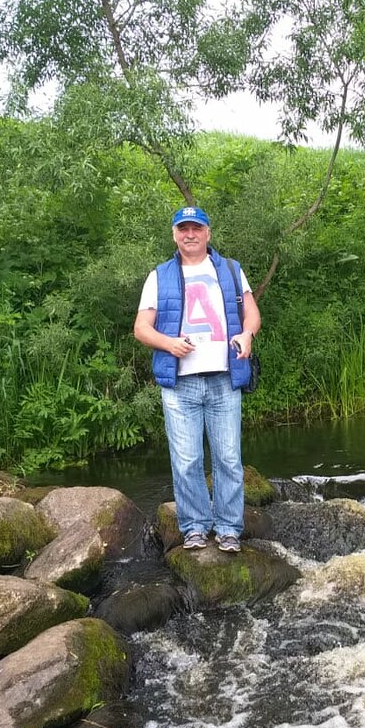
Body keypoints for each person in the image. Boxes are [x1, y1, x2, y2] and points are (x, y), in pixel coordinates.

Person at [133, 205, 261, 553]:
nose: (190, 234)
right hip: (180, 384)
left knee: (228, 459)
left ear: (207, 233)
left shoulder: (231, 269)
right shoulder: (159, 276)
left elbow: (251, 314)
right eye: (183, 228)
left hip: (224, 379)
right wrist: (168, 343)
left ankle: (229, 528)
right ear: (174, 234)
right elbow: (141, 328)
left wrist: (247, 334)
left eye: (196, 228)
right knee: (187, 461)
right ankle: (194, 527)